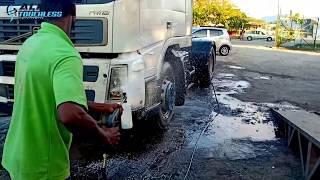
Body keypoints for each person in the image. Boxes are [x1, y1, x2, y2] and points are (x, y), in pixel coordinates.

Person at [1, 0, 122, 179]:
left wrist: (97, 107)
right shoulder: (65, 54)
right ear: (72, 17)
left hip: (15, 159)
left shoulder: (29, 45)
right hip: (43, 168)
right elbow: (69, 114)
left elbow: (46, 95)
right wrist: (104, 134)